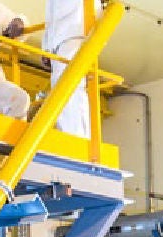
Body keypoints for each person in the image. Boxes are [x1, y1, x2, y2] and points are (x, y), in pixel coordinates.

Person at [45, 0, 100, 137]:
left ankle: (77, 137)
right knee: (60, 88)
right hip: (59, 39)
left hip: (77, 30)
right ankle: (68, 135)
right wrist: (47, 45)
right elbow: (51, 13)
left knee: (70, 86)